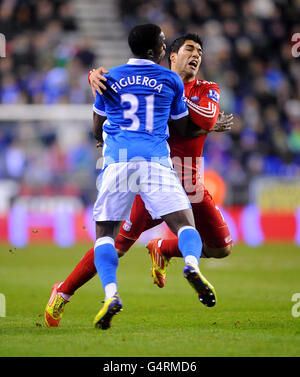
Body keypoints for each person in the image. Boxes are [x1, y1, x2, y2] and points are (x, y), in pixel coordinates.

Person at [45, 32, 233, 328]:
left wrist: (101, 83)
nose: (196, 55)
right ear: (170, 55)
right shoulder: (161, 85)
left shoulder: (206, 88)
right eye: (189, 49)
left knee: (221, 248)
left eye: (199, 51)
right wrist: (95, 76)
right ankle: (64, 292)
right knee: (116, 246)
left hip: (190, 184)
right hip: (155, 178)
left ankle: (163, 248)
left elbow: (208, 117)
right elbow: (191, 121)